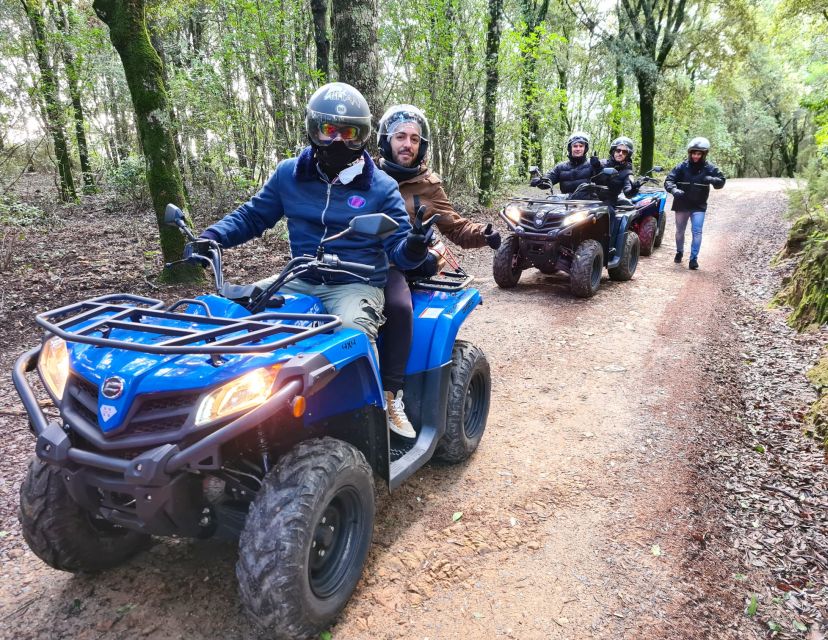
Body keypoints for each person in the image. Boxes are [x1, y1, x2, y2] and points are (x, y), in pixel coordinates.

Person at [196, 83, 431, 431]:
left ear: (362, 136)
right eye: (329, 130)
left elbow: (398, 246)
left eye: (349, 132)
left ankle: (373, 415)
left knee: (352, 332)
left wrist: (413, 245)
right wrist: (211, 238)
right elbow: (253, 216)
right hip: (300, 277)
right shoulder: (289, 174)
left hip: (355, 282)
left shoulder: (380, 187)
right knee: (227, 312)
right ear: (313, 130)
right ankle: (219, 409)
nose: (338, 141)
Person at [376, 104, 501, 439]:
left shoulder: (428, 186)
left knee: (399, 307)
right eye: (400, 136)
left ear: (422, 145)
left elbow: (455, 227)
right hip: (356, 259)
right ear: (386, 141)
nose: (407, 144)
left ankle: (391, 395)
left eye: (415, 139)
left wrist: (483, 234)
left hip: (398, 264)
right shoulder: (366, 175)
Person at [664, 137, 726, 270]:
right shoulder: (681, 166)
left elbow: (721, 180)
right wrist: (674, 190)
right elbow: (669, 180)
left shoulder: (709, 168)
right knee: (680, 231)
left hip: (699, 205)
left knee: (697, 231)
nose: (696, 156)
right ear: (690, 153)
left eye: (699, 154)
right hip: (682, 203)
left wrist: (712, 179)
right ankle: (679, 252)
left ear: (704, 154)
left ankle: (693, 259)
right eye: (694, 153)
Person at [531, 132, 595, 194]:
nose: (578, 149)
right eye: (575, 146)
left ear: (585, 149)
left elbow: (602, 180)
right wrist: (539, 181)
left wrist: (599, 167)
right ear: (570, 148)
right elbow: (547, 181)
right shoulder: (561, 167)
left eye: (581, 146)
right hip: (566, 203)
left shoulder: (592, 165)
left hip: (588, 203)